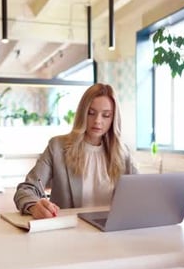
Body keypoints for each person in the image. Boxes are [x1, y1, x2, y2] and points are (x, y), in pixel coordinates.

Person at [14, 83, 139, 219]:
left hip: (111, 231)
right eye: (91, 113)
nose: (97, 121)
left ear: (113, 119)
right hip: (71, 232)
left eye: (106, 115)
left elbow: (142, 192)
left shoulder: (123, 153)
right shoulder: (57, 147)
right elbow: (25, 189)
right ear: (82, 113)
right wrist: (34, 206)